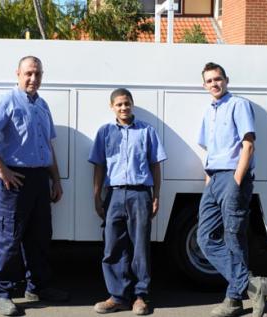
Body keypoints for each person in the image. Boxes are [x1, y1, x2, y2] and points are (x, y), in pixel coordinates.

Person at [0, 56, 69, 316]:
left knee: (39, 237)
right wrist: (1, 168)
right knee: (9, 239)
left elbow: (49, 146)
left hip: (40, 180)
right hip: (14, 181)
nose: (33, 79)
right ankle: (2, 292)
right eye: (28, 73)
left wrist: (56, 180)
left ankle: (37, 286)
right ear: (17, 73)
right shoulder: (6, 101)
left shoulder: (43, 105)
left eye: (37, 74)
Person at [196, 62, 267, 317]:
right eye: (209, 81)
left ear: (226, 80)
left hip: (233, 177)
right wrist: (209, 180)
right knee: (205, 237)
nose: (214, 84)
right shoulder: (209, 111)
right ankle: (252, 285)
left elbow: (248, 145)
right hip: (214, 178)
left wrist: (237, 180)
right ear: (204, 85)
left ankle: (233, 300)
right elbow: (209, 149)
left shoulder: (239, 104)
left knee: (233, 237)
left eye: (218, 79)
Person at [89, 89, 167, 315]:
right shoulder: (104, 133)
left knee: (140, 246)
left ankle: (140, 296)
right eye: (119, 104)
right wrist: (96, 196)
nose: (124, 108)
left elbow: (155, 165)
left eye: (127, 103)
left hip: (140, 194)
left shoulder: (146, 131)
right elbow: (99, 166)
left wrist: (156, 195)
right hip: (113, 195)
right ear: (112, 107)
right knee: (113, 246)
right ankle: (118, 296)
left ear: (132, 105)